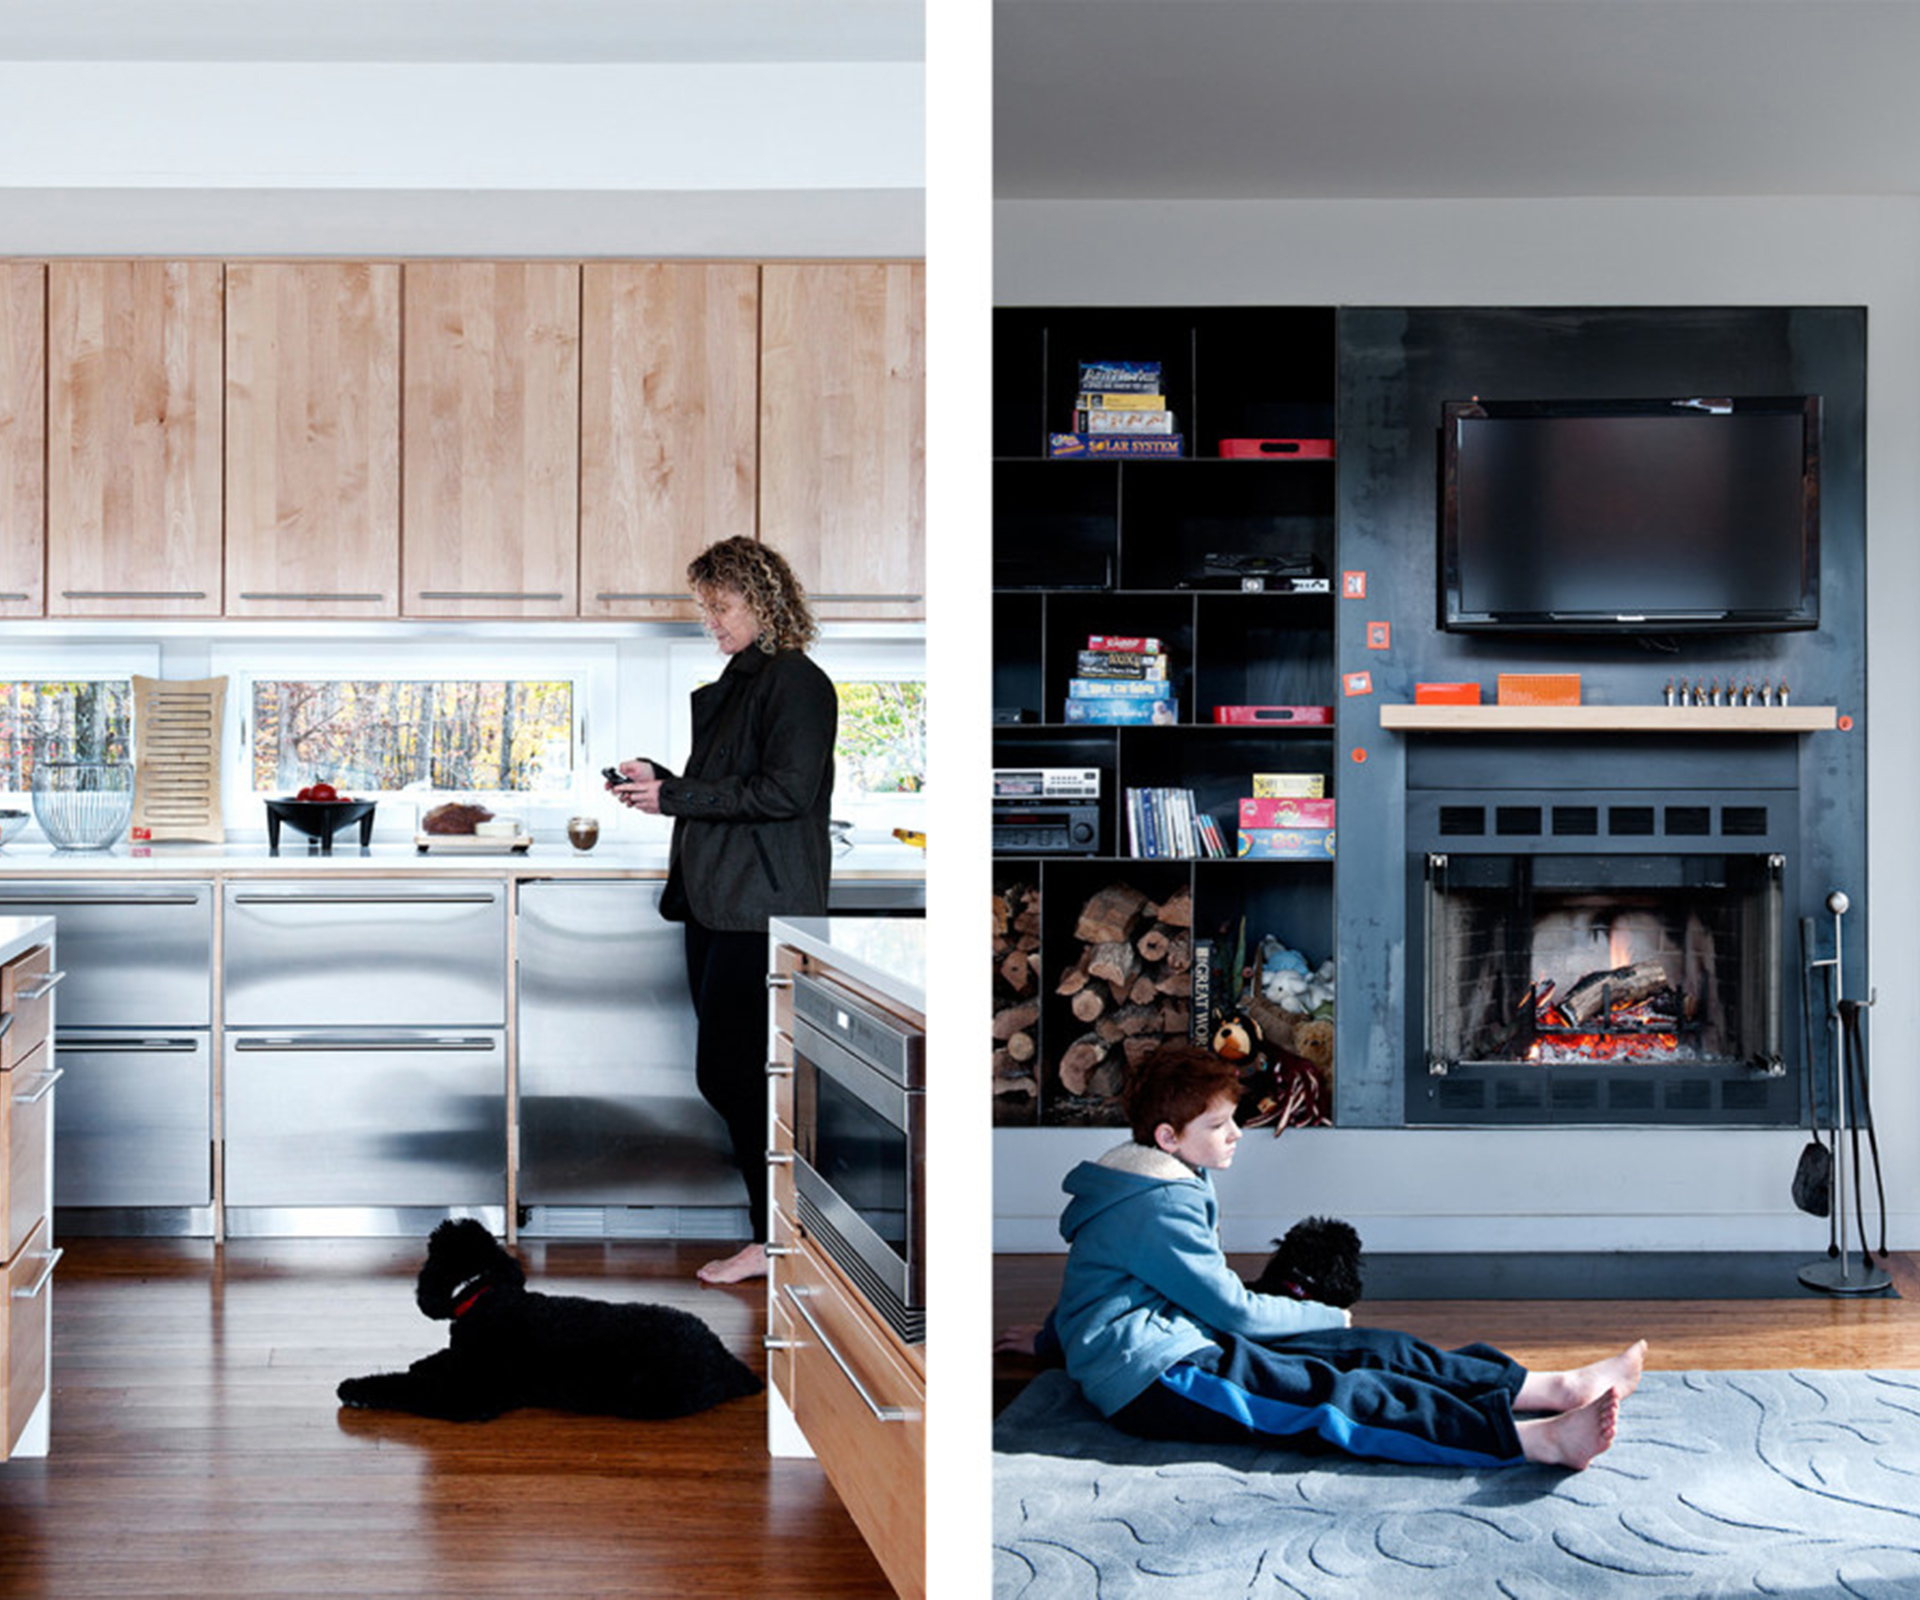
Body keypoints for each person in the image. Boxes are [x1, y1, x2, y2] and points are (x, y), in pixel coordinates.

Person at [1029, 1043, 1644, 1470]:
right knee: (1333, 1396)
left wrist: (1050, 1338)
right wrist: (1325, 1316)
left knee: (1375, 1350)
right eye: (1219, 1126)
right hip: (1158, 1375)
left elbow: (1099, 1276)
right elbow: (1232, 1311)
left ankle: (1555, 1387)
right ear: (1169, 1137)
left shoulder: (1155, 1176)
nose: (1237, 1134)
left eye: (1232, 1120)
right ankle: (1531, 1440)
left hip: (1187, 1334)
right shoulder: (1154, 1201)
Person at [609, 537, 837, 1286]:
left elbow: (787, 792)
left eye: (721, 606)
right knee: (734, 1075)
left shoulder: (795, 681)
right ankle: (777, 1238)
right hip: (720, 903)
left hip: (758, 907)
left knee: (739, 1076)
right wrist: (663, 780)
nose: (709, 619)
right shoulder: (746, 682)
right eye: (705, 607)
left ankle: (777, 1241)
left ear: (763, 603)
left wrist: (674, 794)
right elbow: (737, 787)